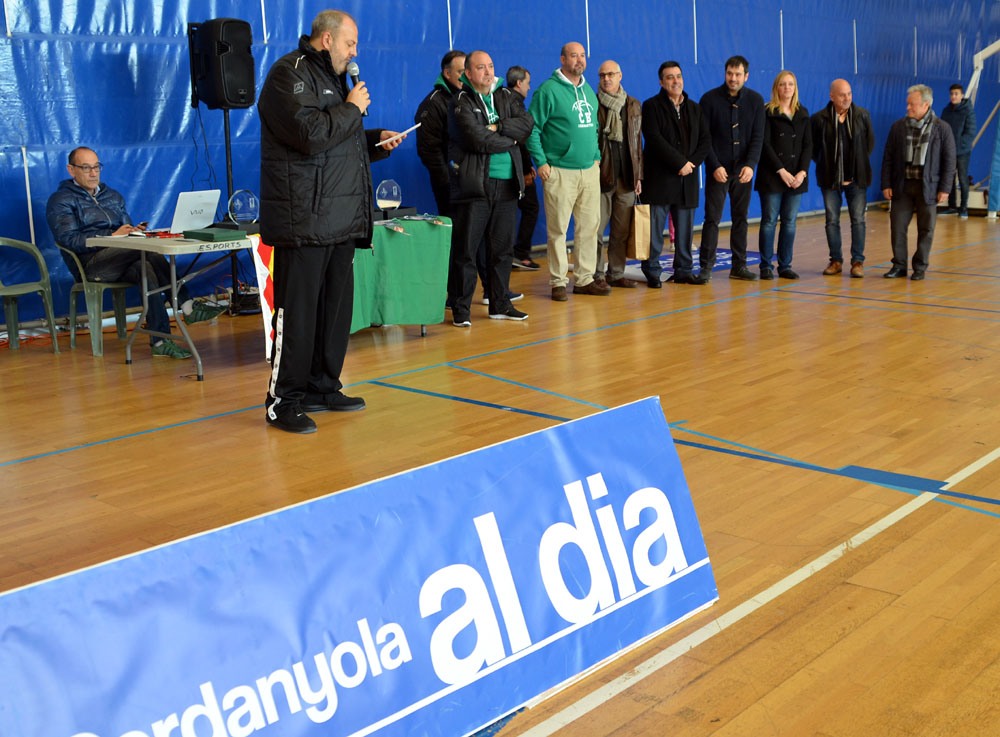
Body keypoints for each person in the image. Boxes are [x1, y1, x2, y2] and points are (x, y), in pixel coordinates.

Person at [258, 9, 403, 434]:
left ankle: (323, 385)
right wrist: (352, 110)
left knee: (333, 314)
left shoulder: (337, 82)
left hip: (339, 219)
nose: (355, 53)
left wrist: (375, 142)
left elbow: (338, 142)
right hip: (304, 219)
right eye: (350, 44)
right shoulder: (289, 74)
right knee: (297, 315)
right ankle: (282, 399)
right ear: (326, 40)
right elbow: (308, 134)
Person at [46, 147, 225, 359]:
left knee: (145, 265)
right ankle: (186, 305)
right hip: (91, 265)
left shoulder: (112, 196)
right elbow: (68, 240)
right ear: (71, 170)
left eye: (96, 167)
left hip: (124, 257)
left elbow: (126, 229)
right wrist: (112, 235)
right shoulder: (61, 200)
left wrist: (133, 232)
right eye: (86, 168)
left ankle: (160, 341)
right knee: (147, 252)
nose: (93, 173)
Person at [447, 51, 534, 325]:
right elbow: (477, 140)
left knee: (502, 250)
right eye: (480, 68)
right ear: (468, 74)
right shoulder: (460, 101)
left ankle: (499, 304)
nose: (487, 72)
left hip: (507, 185)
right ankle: (461, 310)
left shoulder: (506, 96)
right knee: (467, 251)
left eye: (491, 66)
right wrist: (510, 140)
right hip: (476, 187)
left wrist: (499, 127)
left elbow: (527, 124)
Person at [526, 41, 608, 301]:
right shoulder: (547, 91)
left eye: (583, 56)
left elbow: (594, 128)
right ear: (563, 59)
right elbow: (532, 130)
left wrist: (596, 158)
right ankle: (558, 281)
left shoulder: (589, 93)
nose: (579, 60)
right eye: (574, 56)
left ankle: (584, 279)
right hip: (559, 171)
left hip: (589, 171)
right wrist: (541, 163)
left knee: (588, 228)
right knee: (558, 230)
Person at [641, 61, 710, 286]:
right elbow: (654, 139)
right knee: (654, 232)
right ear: (661, 82)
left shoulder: (695, 108)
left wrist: (691, 164)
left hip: (687, 179)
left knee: (685, 232)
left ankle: (684, 270)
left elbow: (705, 141)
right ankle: (652, 270)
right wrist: (680, 162)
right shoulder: (651, 106)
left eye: (678, 76)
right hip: (660, 179)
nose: (675, 81)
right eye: (670, 77)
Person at [699, 55, 765, 281]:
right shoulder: (708, 100)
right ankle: (706, 267)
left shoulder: (756, 101)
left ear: (746, 76)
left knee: (741, 218)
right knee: (712, 219)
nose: (733, 78)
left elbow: (758, 137)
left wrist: (751, 165)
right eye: (729, 73)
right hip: (718, 170)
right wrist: (714, 165)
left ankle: (739, 266)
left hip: (743, 171)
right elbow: (704, 138)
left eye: (738, 74)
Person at [881, 84, 956, 281]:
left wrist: (945, 188)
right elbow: (888, 157)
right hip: (902, 185)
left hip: (929, 186)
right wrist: (886, 184)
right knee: (897, 226)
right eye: (907, 104)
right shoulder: (898, 127)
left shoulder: (942, 129)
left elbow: (950, 161)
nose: (908, 108)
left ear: (926, 105)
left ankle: (920, 267)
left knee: (926, 229)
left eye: (912, 105)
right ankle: (899, 266)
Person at [812, 79, 874, 278]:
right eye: (842, 94)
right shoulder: (819, 119)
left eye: (849, 93)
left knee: (858, 221)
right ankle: (836, 261)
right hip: (830, 181)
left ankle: (858, 262)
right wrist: (828, 166)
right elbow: (814, 150)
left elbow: (869, 145)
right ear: (832, 96)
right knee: (832, 221)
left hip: (857, 180)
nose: (847, 98)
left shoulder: (862, 115)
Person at [754, 70, 812, 280]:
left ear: (795, 88)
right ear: (776, 88)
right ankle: (766, 266)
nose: (787, 88)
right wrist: (782, 171)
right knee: (769, 220)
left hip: (797, 177)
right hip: (772, 175)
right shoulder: (767, 111)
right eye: (783, 84)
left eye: (790, 84)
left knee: (790, 221)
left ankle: (785, 265)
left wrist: (802, 172)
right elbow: (765, 145)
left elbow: (808, 145)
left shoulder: (802, 113)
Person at [595, 59, 642, 288]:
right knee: (594, 232)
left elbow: (637, 144)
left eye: (611, 74)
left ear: (620, 76)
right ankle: (595, 276)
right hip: (600, 178)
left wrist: (638, 176)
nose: (606, 78)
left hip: (626, 179)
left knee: (621, 232)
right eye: (602, 75)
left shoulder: (633, 104)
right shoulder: (592, 103)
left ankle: (615, 274)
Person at [415, 50, 466, 217]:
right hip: (451, 186)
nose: (465, 76)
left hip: (472, 181)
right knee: (456, 233)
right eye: (460, 72)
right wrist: (448, 182)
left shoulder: (469, 98)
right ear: (447, 73)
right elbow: (428, 150)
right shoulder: (433, 103)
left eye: (467, 71)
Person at [507, 65, 541, 271]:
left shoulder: (503, 100)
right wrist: (527, 169)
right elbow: (520, 139)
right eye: (528, 83)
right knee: (530, 207)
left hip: (512, 168)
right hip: (516, 169)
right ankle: (520, 254)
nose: (529, 87)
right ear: (519, 83)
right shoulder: (515, 104)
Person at [940, 83, 977, 218]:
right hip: (948, 151)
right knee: (949, 178)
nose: (953, 96)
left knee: (962, 178)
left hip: (962, 151)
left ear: (962, 95)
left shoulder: (968, 111)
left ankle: (963, 208)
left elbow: (971, 132)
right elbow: (941, 130)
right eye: (951, 94)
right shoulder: (946, 111)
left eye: (956, 94)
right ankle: (952, 207)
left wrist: (958, 147)